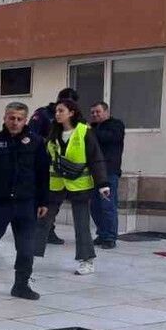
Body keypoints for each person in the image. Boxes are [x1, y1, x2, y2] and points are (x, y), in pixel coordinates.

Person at [0, 102, 50, 299]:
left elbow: (43, 174)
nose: (15, 122)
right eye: (11, 118)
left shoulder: (37, 143)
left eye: (19, 119)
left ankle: (21, 285)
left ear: (25, 120)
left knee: (26, 247)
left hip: (26, 203)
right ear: (4, 118)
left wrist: (43, 201)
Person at [34, 98, 109, 275]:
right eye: (56, 111)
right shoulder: (53, 133)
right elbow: (45, 160)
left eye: (61, 111)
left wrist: (103, 184)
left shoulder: (84, 131)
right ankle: (28, 255)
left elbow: (96, 158)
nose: (57, 114)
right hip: (56, 183)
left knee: (81, 223)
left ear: (71, 113)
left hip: (79, 185)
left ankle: (87, 260)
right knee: (43, 219)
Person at [30, 88, 78, 246]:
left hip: (64, 168)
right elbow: (32, 136)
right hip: (45, 165)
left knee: (54, 204)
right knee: (47, 202)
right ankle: (40, 232)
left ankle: (47, 230)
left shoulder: (73, 119)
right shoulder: (43, 114)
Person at [89, 101, 125, 249]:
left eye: (98, 112)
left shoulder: (116, 125)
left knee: (107, 205)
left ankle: (110, 237)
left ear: (106, 111)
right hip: (93, 172)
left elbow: (109, 138)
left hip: (109, 171)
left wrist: (90, 131)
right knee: (95, 206)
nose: (95, 115)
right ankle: (102, 234)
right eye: (92, 113)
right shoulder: (93, 128)